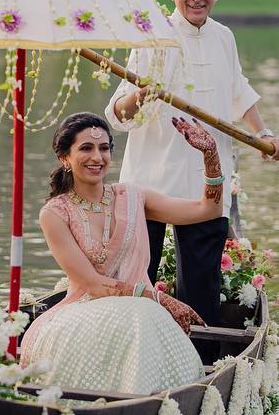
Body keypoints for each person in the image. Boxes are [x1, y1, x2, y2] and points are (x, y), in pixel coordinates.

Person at [105, 0, 279, 341]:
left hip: (208, 181)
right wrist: (141, 93)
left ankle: (200, 362)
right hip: (151, 177)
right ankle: (134, 348)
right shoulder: (152, 38)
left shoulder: (224, 37)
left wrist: (264, 134)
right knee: (138, 280)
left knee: (202, 290)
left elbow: (238, 90)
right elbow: (118, 115)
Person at [20, 111, 224, 395]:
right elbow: (92, 283)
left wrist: (211, 156)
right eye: (86, 148)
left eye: (104, 148)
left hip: (141, 313)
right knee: (143, 314)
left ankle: (149, 404)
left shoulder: (132, 197)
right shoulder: (55, 213)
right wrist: (160, 298)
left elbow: (208, 210)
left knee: (143, 315)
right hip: (84, 310)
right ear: (65, 158)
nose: (97, 157)